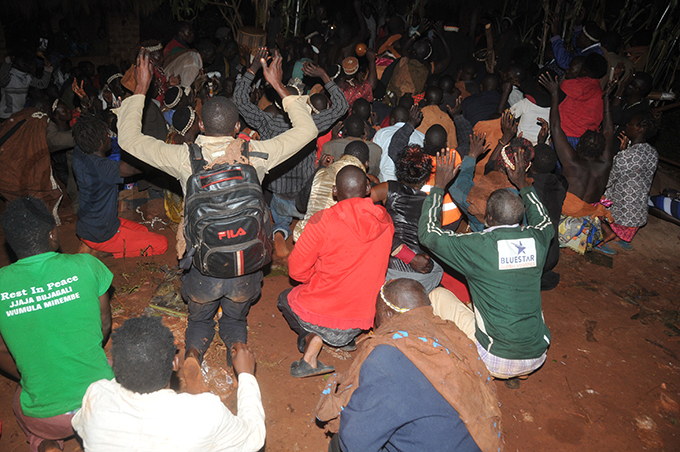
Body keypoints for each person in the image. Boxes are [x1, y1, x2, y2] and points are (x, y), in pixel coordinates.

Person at [117, 50, 317, 378]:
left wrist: (140, 89)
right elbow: (308, 131)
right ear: (238, 127)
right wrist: (280, 88)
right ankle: (238, 353)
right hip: (246, 267)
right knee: (236, 319)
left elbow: (129, 140)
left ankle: (193, 354)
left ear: (199, 125)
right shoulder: (258, 154)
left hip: (203, 268)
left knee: (198, 318)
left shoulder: (184, 157)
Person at [419, 145, 553, 388]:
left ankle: (460, 365)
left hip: (494, 358)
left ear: (488, 218)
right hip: (537, 354)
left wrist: (438, 187)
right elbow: (543, 221)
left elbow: (428, 234)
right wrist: (523, 184)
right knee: (521, 297)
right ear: (521, 215)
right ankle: (517, 372)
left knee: (437, 296)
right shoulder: (539, 240)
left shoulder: (477, 245)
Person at [316, 279, 502, 452]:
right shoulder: (452, 335)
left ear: (388, 313)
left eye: (376, 312)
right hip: (476, 442)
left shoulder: (386, 360)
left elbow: (355, 443)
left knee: (339, 444)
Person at [0, 197, 114, 452]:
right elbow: (105, 324)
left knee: (22, 399)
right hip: (100, 401)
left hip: (48, 417)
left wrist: (33, 374)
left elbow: (1, 351)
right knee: (110, 364)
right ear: (53, 234)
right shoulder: (86, 265)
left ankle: (45, 443)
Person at [72, 316, 266, 452]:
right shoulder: (205, 413)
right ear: (175, 363)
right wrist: (247, 375)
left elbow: (80, 425)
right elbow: (254, 437)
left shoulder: (95, 396)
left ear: (114, 364)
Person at [279, 166, 394, 377]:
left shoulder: (322, 220)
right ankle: (347, 340)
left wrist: (316, 276)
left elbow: (296, 272)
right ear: (368, 189)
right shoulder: (385, 221)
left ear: (334, 191)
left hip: (324, 316)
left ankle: (310, 339)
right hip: (362, 319)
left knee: (285, 298)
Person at [71, 115, 169, 258]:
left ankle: (92, 244)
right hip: (103, 233)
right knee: (162, 244)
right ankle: (105, 250)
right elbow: (131, 169)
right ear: (100, 143)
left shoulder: (78, 155)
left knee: (142, 230)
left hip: (91, 225)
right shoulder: (104, 169)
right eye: (107, 135)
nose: (110, 138)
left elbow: (85, 130)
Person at [370, 147, 443, 292]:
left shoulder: (388, 188)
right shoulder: (432, 202)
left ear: (399, 171)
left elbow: (357, 201)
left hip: (391, 269)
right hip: (424, 274)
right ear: (426, 178)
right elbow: (435, 237)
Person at [598, 112, 659, 253]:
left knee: (591, 201)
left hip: (621, 215)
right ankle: (621, 237)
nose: (627, 125)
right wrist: (623, 152)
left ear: (639, 129)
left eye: (631, 124)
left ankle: (608, 233)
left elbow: (608, 181)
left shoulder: (626, 157)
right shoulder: (653, 152)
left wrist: (619, 156)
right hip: (638, 215)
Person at [293, 141, 371, 241]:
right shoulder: (362, 185)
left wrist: (320, 168)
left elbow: (300, 205)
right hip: (334, 242)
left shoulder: (322, 172)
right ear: (367, 164)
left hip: (306, 237)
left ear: (342, 155)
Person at [373, 106, 425, 182]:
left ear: (392, 120)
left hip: (384, 181)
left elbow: (375, 158)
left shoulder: (382, 133)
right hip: (411, 183)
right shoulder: (421, 136)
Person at [321, 114, 382, 178]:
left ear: (345, 130)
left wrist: (332, 140)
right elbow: (375, 174)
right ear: (364, 131)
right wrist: (368, 139)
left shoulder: (328, 146)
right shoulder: (376, 149)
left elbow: (322, 173)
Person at [0, 53, 53, 119]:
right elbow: (2, 77)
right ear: (15, 64)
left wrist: (47, 68)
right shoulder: (10, 77)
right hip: (5, 115)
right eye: (23, 62)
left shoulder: (27, 77)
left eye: (26, 62)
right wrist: (8, 61)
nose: (26, 64)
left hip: (18, 114)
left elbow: (42, 84)